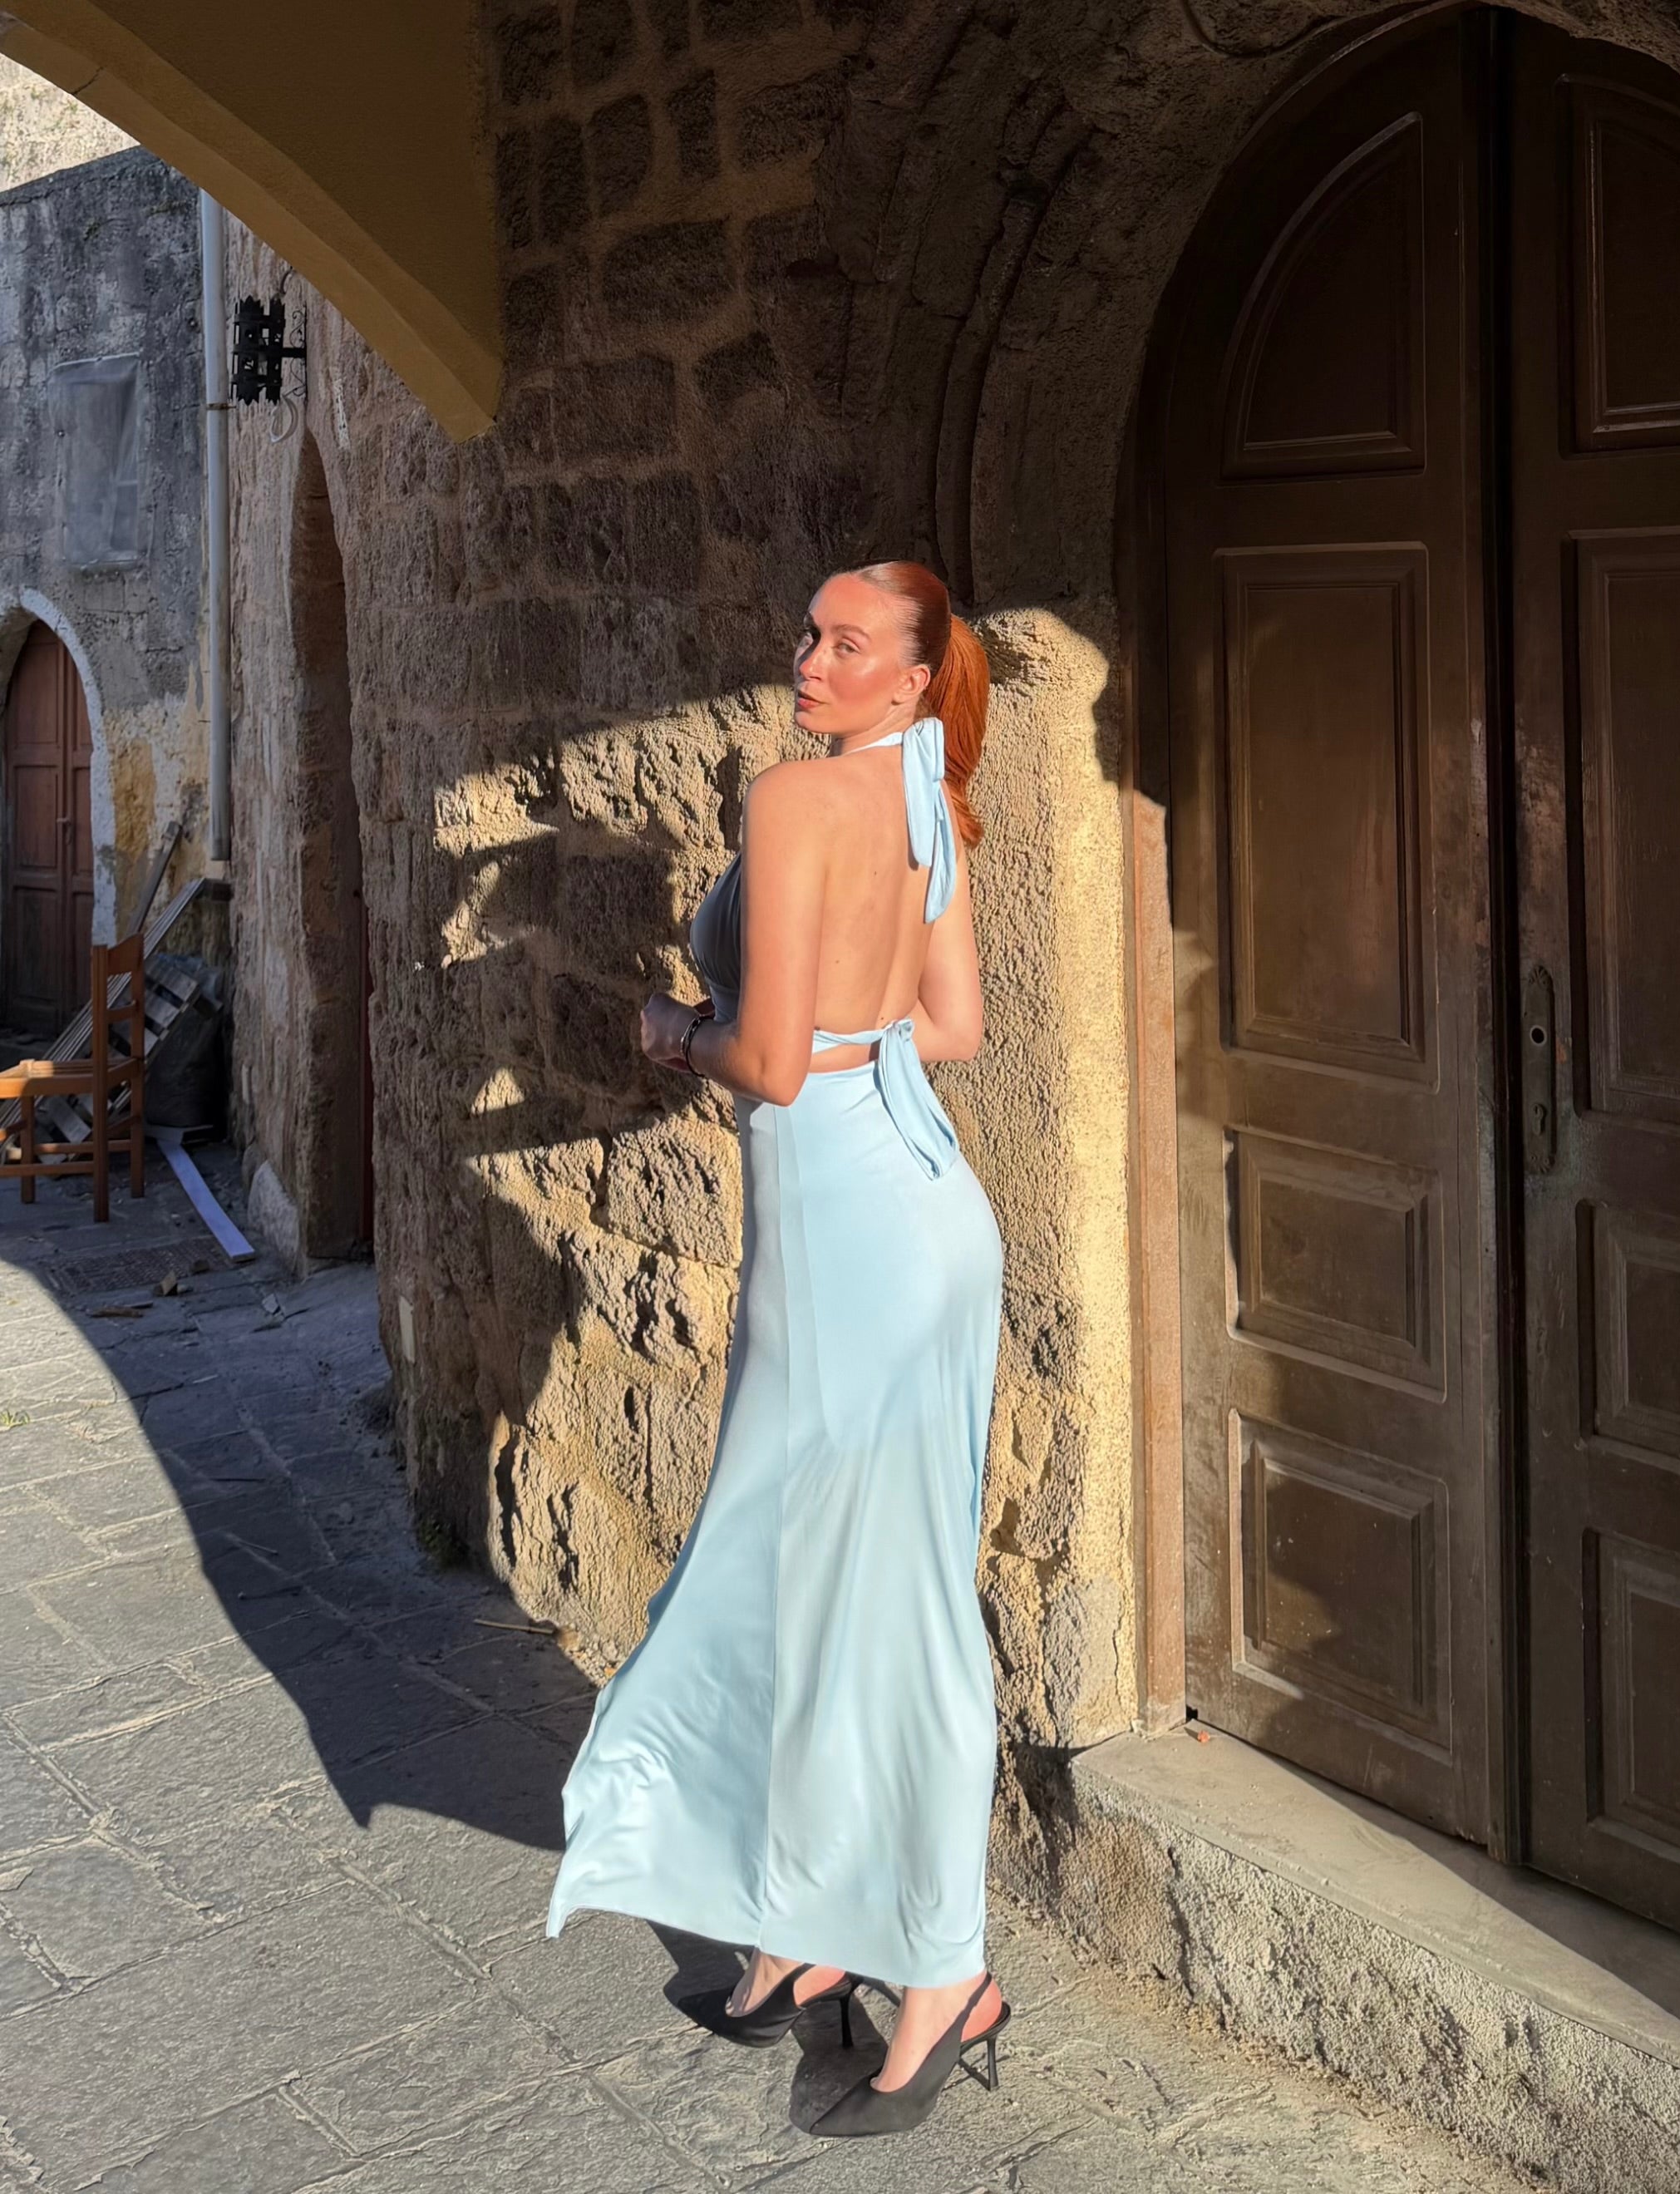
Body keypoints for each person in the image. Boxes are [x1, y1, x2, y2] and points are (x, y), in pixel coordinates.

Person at [546, 560, 1010, 2138]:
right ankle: (803, 1933)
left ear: (911, 678)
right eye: (810, 634)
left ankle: (947, 1969)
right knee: (817, 1579)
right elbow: (947, 1027)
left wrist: (678, 1033)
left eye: (846, 643)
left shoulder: (802, 797)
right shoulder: (922, 798)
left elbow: (769, 1064)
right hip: (910, 1216)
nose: (810, 658)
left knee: (879, 1599)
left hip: (858, 1242)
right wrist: (833, 1044)